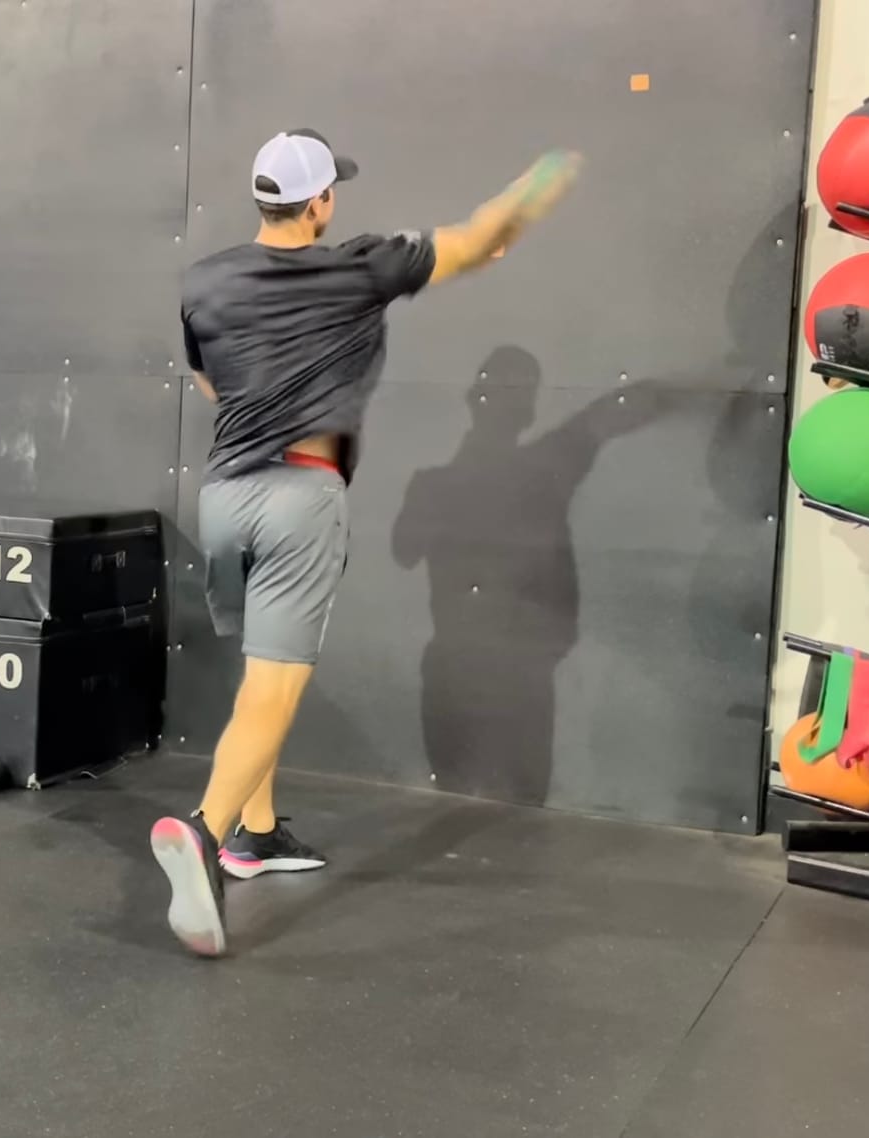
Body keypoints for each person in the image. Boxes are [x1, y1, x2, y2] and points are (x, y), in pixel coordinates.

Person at [149, 129, 583, 957]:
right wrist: (540, 184)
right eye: (331, 190)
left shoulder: (204, 279)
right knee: (275, 686)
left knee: (258, 679)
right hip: (300, 496)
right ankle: (203, 833)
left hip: (224, 497)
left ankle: (255, 835)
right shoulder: (361, 268)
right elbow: (480, 238)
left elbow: (208, 381)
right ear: (319, 203)